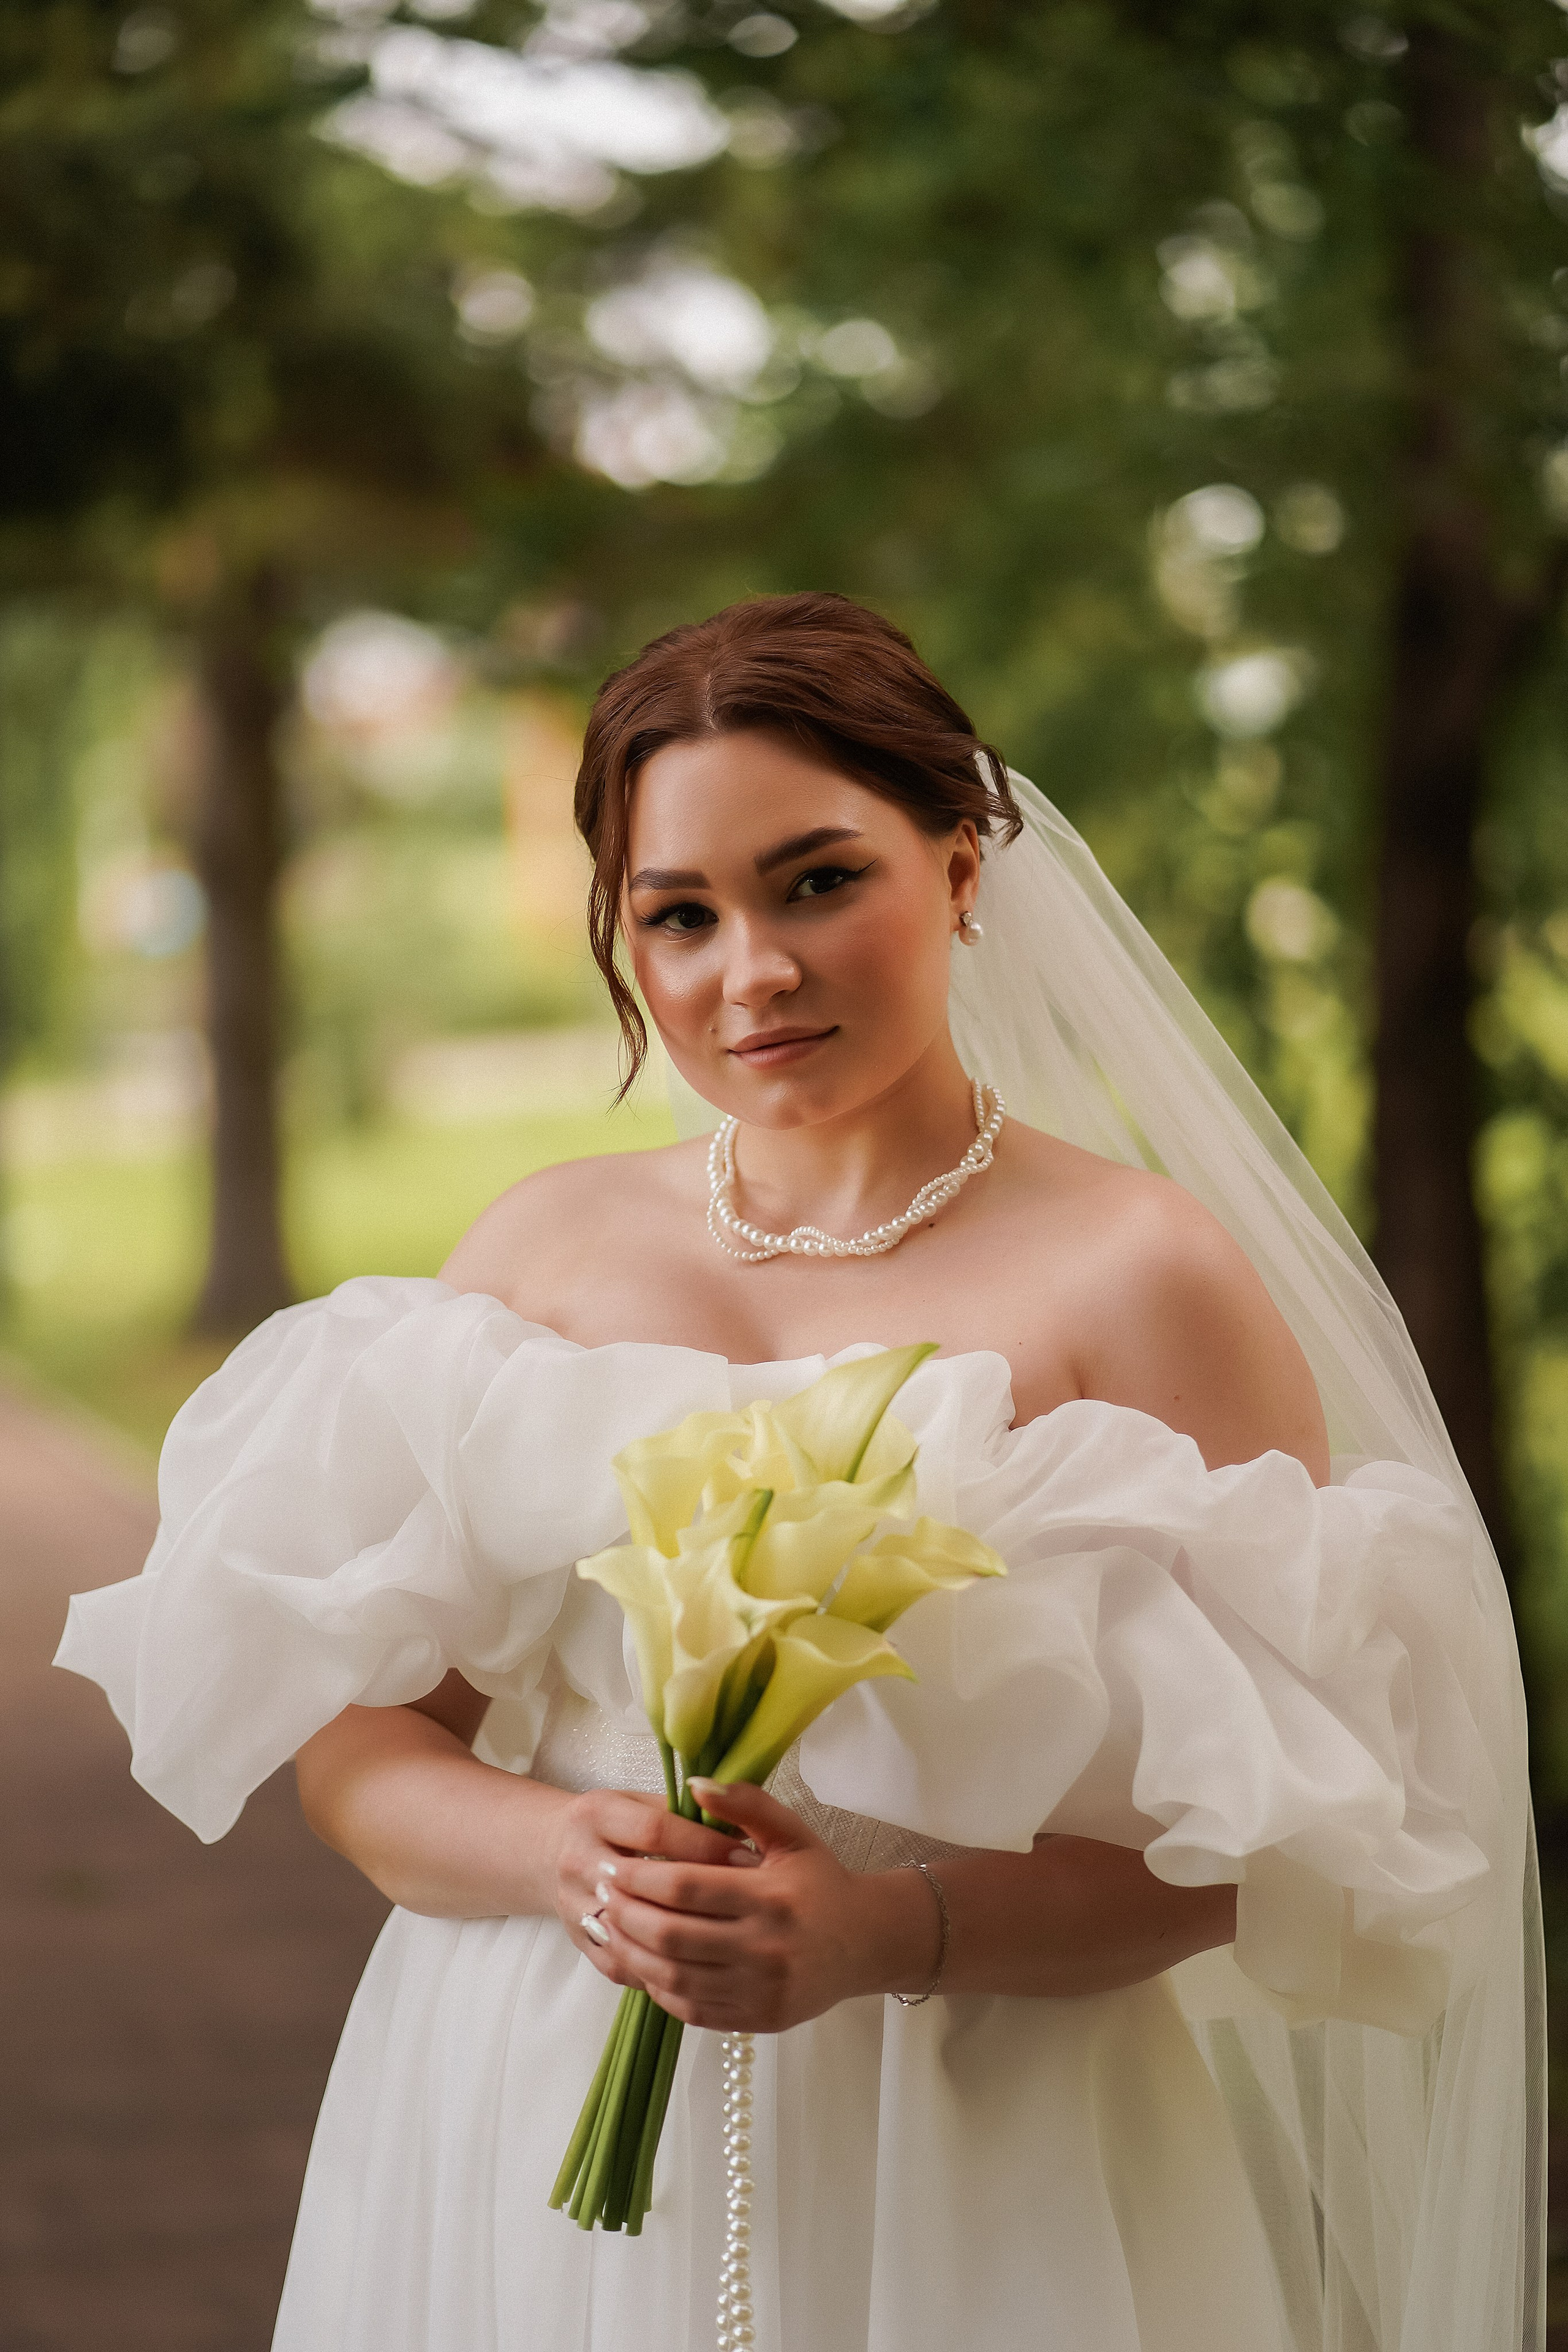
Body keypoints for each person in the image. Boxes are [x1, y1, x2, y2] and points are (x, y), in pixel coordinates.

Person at [58, 592, 1540, 2352]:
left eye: (818, 881)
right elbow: (370, 1756)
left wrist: (879, 1934)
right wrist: (564, 1857)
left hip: (985, 2135)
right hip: (519, 2087)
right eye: (678, 915)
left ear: (963, 870)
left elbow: (1269, 1847)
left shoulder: (1147, 1279)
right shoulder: (532, 1261)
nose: (749, 971)